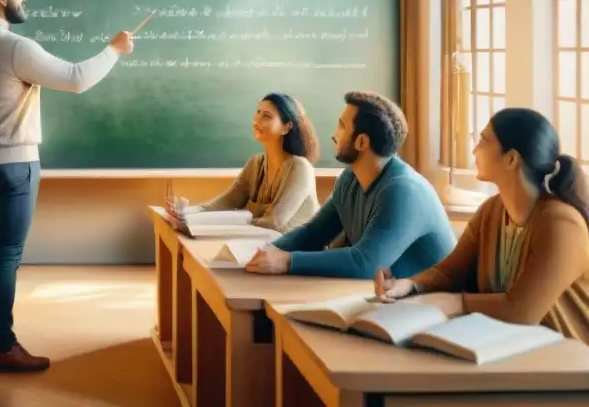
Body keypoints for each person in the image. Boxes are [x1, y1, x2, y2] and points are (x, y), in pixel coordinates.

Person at [0, 0, 134, 373]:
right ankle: (4, 347)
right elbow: (77, 79)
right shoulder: (14, 47)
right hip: (14, 166)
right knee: (6, 255)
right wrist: (114, 49)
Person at [375, 108, 589, 343]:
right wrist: (409, 285)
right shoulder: (491, 211)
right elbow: (449, 271)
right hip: (506, 349)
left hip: (568, 365)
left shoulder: (562, 225)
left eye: (483, 141)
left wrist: (457, 302)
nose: (474, 149)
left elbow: (521, 311)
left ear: (511, 159)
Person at [246, 91, 455, 279]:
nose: (334, 134)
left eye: (342, 126)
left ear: (361, 142)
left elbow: (366, 263)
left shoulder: (403, 190)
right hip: (390, 300)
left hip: (432, 309)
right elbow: (314, 233)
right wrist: (265, 251)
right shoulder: (350, 178)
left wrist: (287, 261)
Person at [166, 93, 320, 233]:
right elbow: (225, 203)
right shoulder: (256, 163)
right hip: (264, 247)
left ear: (286, 128)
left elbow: (274, 223)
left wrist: (214, 223)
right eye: (258, 112)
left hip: (300, 255)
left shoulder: (300, 168)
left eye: (266, 116)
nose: (257, 120)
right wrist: (186, 212)